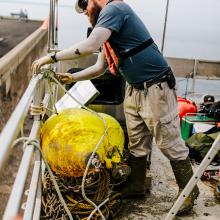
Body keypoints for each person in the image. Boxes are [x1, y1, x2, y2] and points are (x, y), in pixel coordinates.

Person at [32, 0, 199, 215]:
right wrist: (71, 77)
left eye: (85, 8)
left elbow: (90, 46)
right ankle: (137, 185)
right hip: (134, 89)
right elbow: (99, 67)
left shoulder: (114, 9)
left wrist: (51, 57)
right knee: (137, 143)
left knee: (169, 142)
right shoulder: (107, 25)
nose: (85, 14)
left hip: (156, 87)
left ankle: (189, 190)